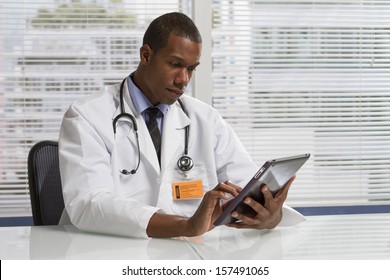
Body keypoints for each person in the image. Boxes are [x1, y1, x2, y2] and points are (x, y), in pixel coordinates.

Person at [58, 12, 304, 238]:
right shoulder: (87, 116)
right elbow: (88, 203)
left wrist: (270, 216)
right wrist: (185, 225)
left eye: (191, 69)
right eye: (175, 64)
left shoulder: (205, 119)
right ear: (146, 55)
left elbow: (245, 184)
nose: (183, 79)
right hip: (107, 251)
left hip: (185, 252)